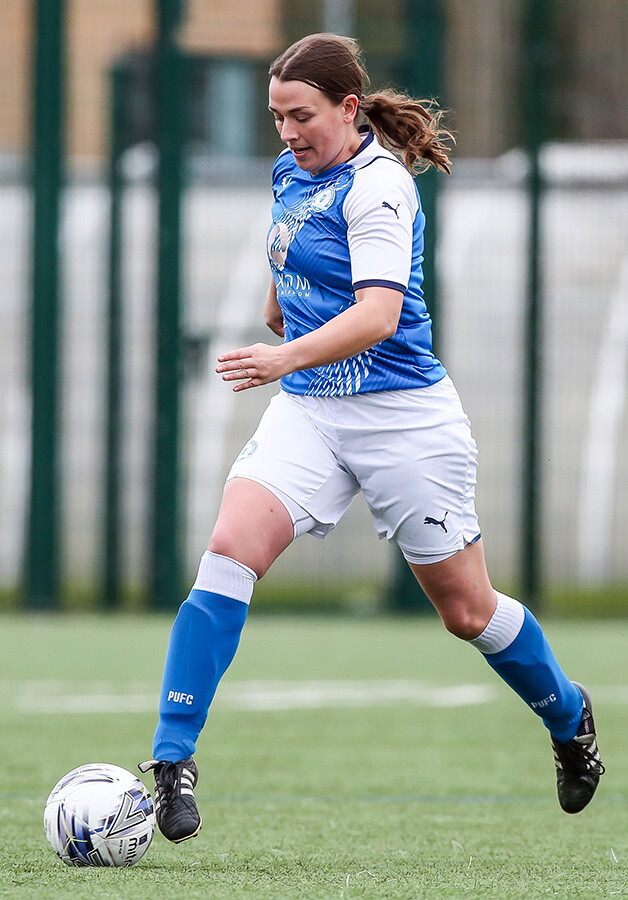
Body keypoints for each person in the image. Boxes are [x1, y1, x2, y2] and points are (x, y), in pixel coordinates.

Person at [139, 33, 604, 843]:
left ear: (349, 109)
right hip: (313, 410)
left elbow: (378, 314)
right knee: (228, 552)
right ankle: (172, 763)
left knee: (466, 612)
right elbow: (291, 254)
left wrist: (282, 352)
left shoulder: (381, 188)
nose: (286, 132)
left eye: (302, 115)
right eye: (276, 116)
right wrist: (280, 305)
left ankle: (568, 714)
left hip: (404, 420)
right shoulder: (292, 171)